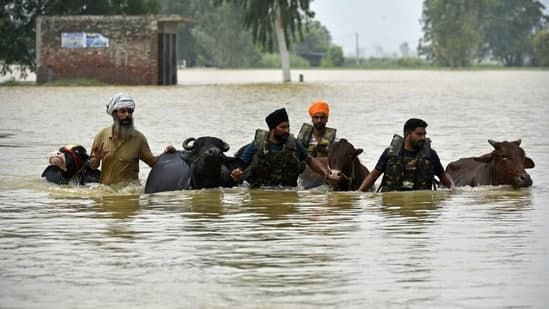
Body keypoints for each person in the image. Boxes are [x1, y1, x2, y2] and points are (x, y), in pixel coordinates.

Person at [230, 107, 336, 188]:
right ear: (272, 129)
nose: (287, 130)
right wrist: (237, 173)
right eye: (282, 127)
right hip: (261, 192)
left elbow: (310, 161)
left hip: (288, 191)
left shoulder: (293, 143)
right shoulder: (258, 143)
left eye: (288, 127)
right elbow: (241, 164)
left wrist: (326, 174)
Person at [88, 93, 174, 186]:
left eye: (130, 112)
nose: (127, 115)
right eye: (123, 111)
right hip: (106, 194)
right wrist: (97, 158)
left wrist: (168, 156)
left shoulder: (139, 138)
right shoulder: (102, 135)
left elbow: (153, 163)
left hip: (130, 194)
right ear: (114, 114)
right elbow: (92, 167)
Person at [358, 118, 455, 192]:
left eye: (424, 134)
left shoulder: (430, 154)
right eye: (419, 134)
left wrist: (453, 190)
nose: (423, 138)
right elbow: (373, 176)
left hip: (420, 205)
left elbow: (443, 177)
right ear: (407, 135)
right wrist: (359, 194)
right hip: (393, 206)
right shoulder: (390, 153)